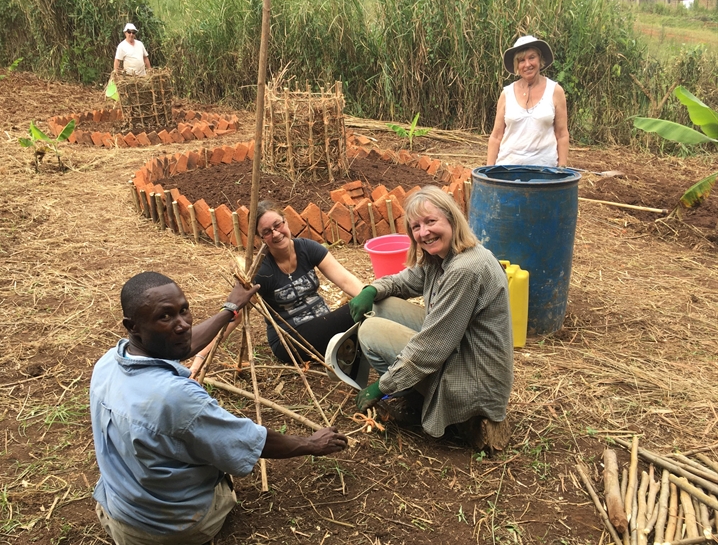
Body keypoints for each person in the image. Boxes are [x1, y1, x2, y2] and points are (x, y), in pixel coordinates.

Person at [90, 272, 347, 545]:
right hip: (169, 528)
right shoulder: (175, 397)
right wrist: (310, 444)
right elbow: (249, 441)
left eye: (184, 310)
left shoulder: (108, 362)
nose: (183, 325)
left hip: (117, 509)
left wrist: (230, 308)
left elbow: (183, 343)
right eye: (165, 317)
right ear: (132, 326)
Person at [349, 186, 514, 439]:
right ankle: (413, 393)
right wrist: (371, 289)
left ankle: (417, 403)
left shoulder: (465, 270)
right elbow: (404, 281)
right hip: (462, 349)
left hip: (474, 374)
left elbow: (433, 345)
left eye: (430, 221)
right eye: (416, 226)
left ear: (451, 219)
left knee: (371, 330)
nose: (424, 232)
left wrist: (382, 386)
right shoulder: (441, 257)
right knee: (381, 305)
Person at [252, 200, 364, 364]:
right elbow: (236, 310)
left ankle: (344, 348)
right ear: (261, 238)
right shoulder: (262, 271)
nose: (275, 234)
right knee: (353, 311)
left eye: (277, 225)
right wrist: (202, 352)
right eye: (267, 232)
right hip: (290, 339)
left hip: (323, 323)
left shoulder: (307, 248)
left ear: (286, 221)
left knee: (365, 304)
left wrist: (369, 296)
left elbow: (346, 281)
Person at [487, 35, 569, 168]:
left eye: (532, 57)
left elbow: (562, 134)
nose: (527, 64)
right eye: (521, 60)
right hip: (508, 168)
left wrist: (562, 167)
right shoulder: (506, 94)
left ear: (540, 59)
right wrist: (488, 170)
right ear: (516, 65)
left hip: (544, 171)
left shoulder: (555, 91)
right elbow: (496, 136)